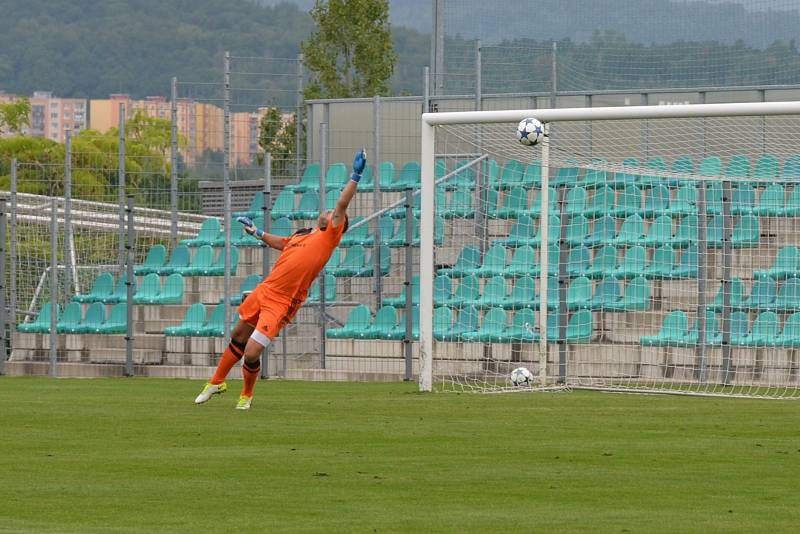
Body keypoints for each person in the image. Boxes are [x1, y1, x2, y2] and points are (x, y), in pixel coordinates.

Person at [194, 149, 367, 410]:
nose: (330, 211)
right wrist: (258, 232)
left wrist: (355, 176)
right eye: (329, 211)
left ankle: (246, 395)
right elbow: (282, 243)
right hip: (265, 290)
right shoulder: (302, 235)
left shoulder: (330, 236)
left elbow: (343, 204)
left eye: (333, 214)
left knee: (252, 352)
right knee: (238, 335)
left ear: (338, 225)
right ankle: (216, 381)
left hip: (282, 301)